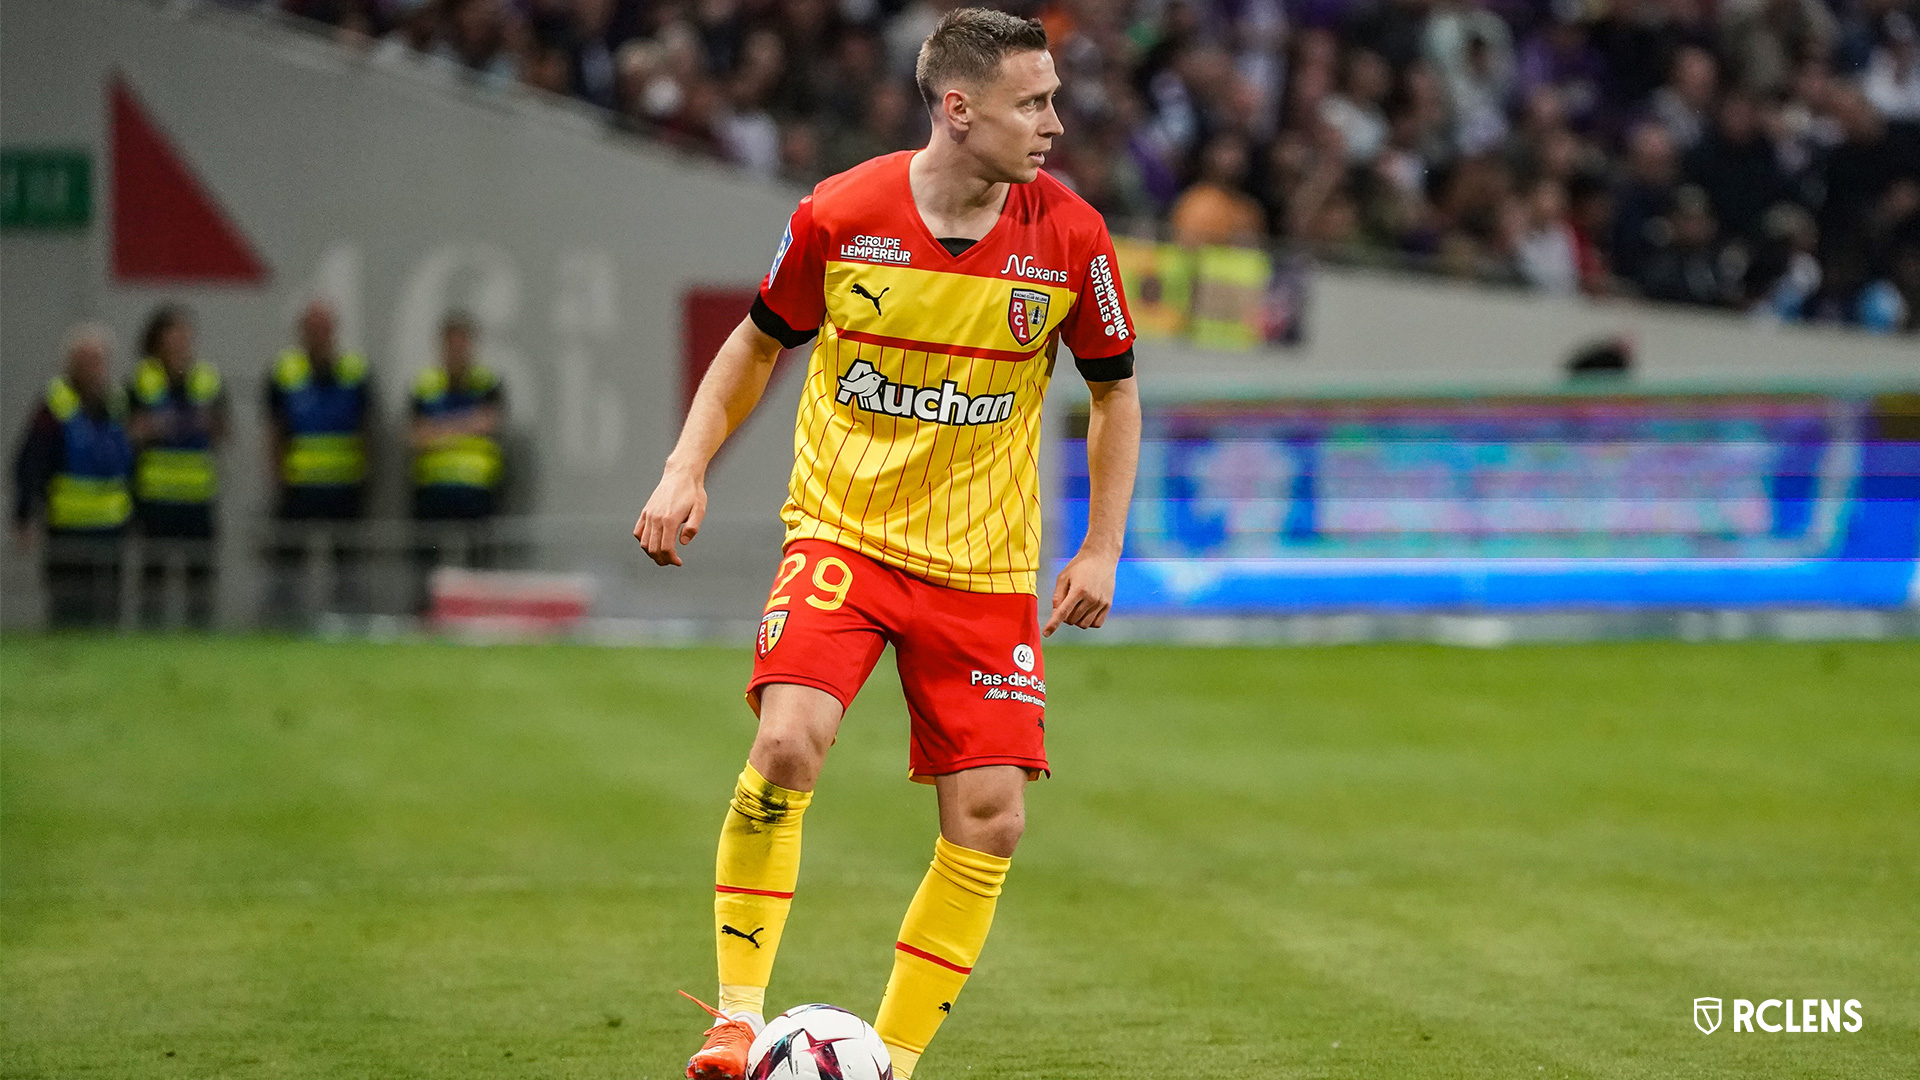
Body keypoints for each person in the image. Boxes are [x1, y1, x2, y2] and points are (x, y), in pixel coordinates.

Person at [633, 10, 1142, 1080]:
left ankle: (889, 1065)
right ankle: (735, 1020)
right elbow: (756, 344)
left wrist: (1102, 547)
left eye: (1053, 99)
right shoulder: (842, 213)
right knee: (784, 745)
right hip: (845, 532)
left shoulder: (1072, 238)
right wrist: (687, 466)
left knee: (992, 822)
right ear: (959, 110)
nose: (1054, 122)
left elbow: (1114, 392)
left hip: (985, 565)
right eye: (1032, 102)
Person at [12, 325, 134, 627]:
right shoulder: (54, 405)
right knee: (67, 612)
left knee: (107, 613)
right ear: (71, 365)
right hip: (67, 527)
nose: (94, 369)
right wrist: (25, 514)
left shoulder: (117, 403)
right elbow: (30, 463)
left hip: (111, 527)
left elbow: (129, 463)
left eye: (99, 360)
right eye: (87, 361)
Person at [266, 300, 373, 621]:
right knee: (289, 562)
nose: (319, 335)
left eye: (324, 328)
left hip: (345, 485)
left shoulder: (355, 371)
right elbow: (275, 432)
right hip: (298, 486)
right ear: (302, 331)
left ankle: (349, 621)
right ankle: (285, 622)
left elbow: (368, 430)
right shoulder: (285, 372)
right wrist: (277, 477)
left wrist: (366, 476)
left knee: (347, 565)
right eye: (313, 328)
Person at [128, 304, 227, 627]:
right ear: (157, 339)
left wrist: (166, 424)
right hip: (155, 497)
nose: (181, 342)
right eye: (173, 334)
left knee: (200, 580)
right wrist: (183, 424)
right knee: (153, 579)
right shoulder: (141, 380)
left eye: (185, 335)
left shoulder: (207, 379)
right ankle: (150, 634)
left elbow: (222, 428)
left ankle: (201, 636)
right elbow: (131, 430)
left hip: (198, 497)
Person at [410, 310, 505, 521]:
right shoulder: (424, 384)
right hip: (433, 489)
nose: (457, 350)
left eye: (462, 342)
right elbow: (416, 437)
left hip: (477, 488)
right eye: (452, 343)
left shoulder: (488, 382)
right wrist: (468, 424)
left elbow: (489, 423)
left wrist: (437, 430)